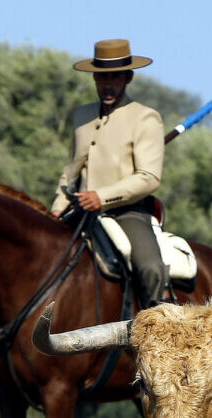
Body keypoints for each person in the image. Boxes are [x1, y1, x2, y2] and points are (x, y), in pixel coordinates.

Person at [51, 38, 171, 307]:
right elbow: (71, 170)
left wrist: (101, 197)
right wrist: (57, 208)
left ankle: (153, 327)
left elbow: (149, 177)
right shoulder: (82, 115)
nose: (107, 85)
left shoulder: (145, 117)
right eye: (101, 78)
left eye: (114, 77)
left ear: (127, 77)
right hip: (79, 211)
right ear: (94, 78)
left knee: (150, 267)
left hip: (127, 212)